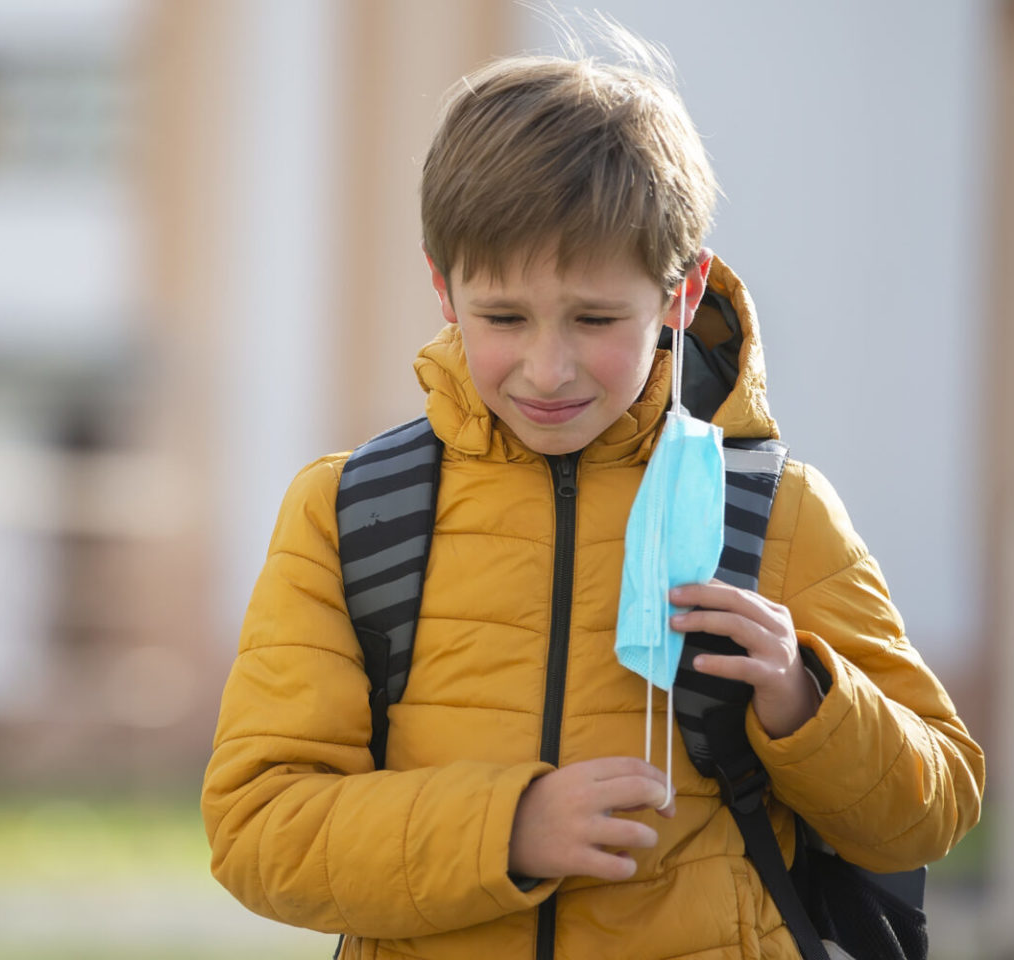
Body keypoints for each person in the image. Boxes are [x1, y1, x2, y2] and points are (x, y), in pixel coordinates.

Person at [199, 33, 985, 960]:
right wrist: (510, 826)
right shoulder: (347, 512)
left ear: (682, 291)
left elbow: (932, 814)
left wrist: (806, 699)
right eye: (504, 318)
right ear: (443, 289)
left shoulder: (778, 512)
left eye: (596, 319)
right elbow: (259, 828)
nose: (548, 366)